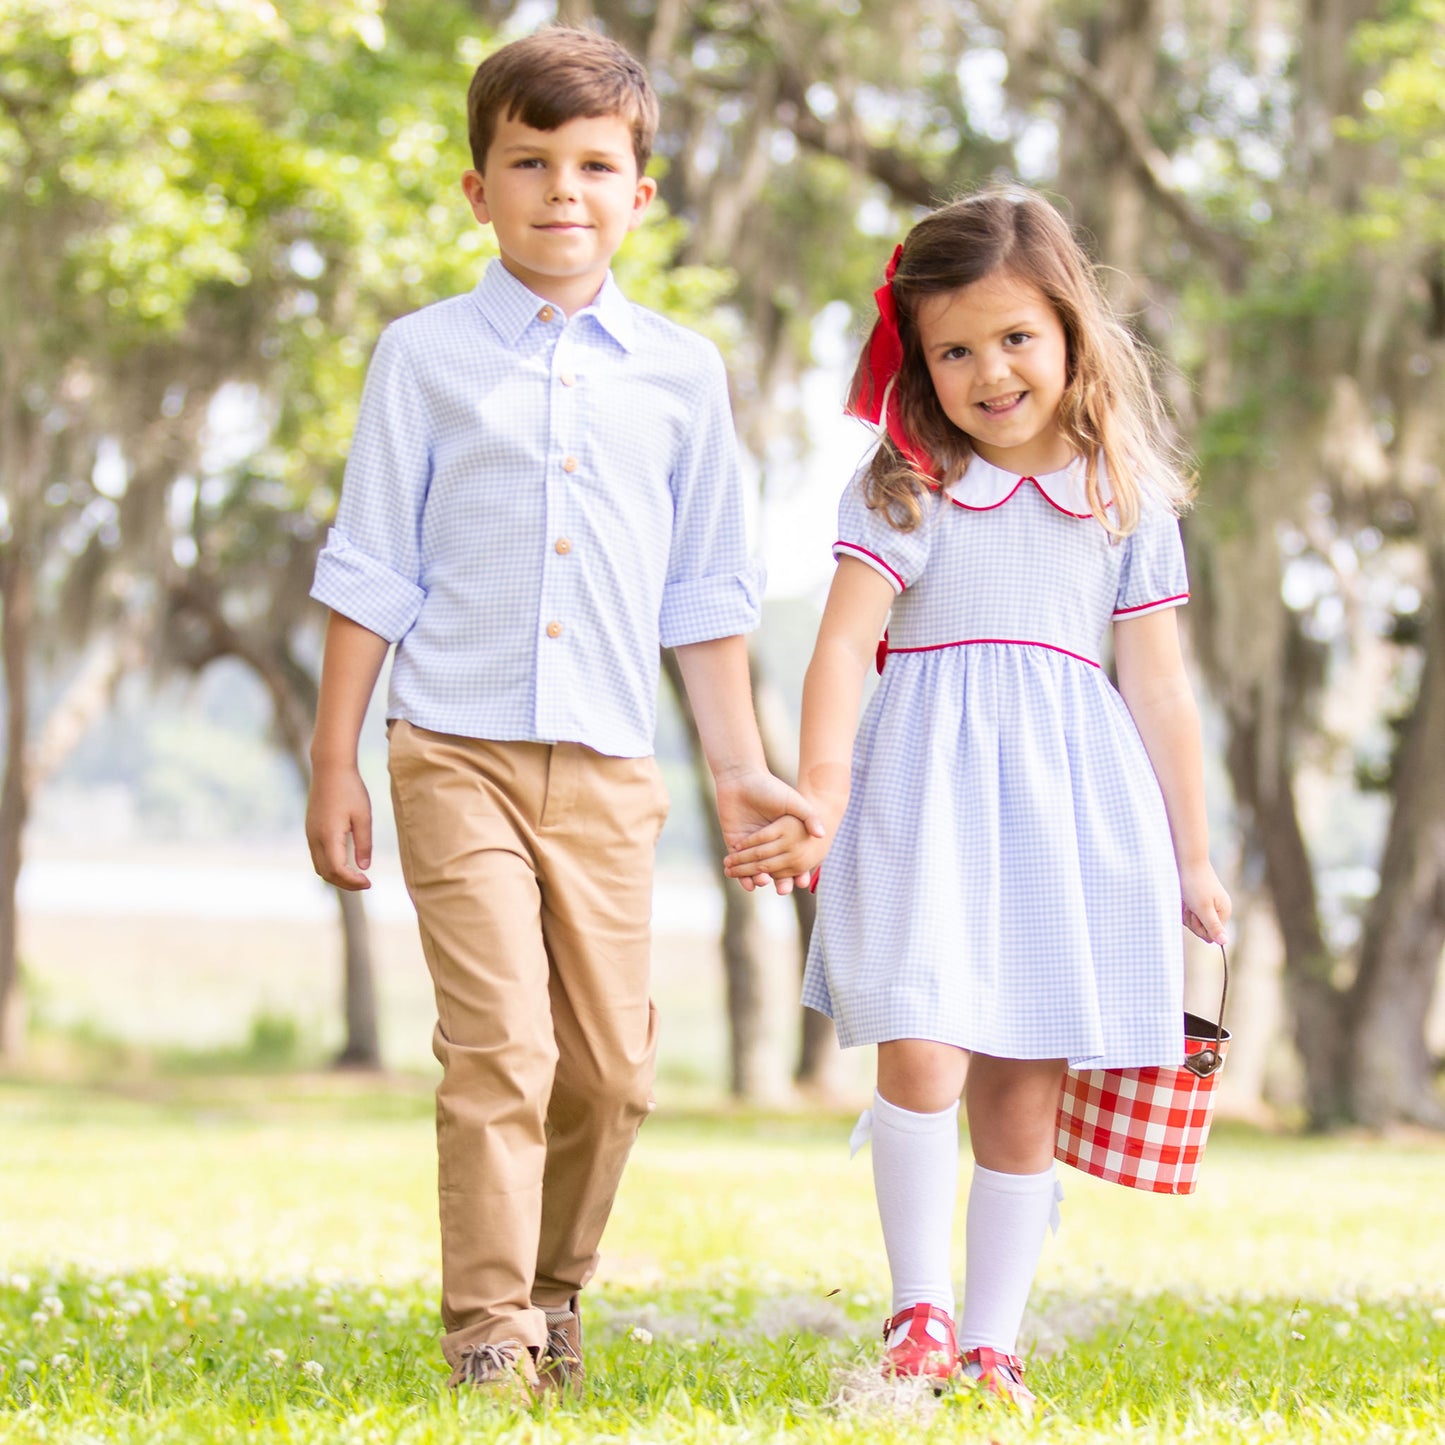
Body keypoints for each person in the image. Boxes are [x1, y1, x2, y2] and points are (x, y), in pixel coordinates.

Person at [305, 26, 818, 1400]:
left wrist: (743, 774)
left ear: (640, 195)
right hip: (448, 750)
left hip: (608, 767)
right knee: (503, 1050)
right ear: (478, 189)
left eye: (595, 164)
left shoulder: (682, 374)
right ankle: (487, 1331)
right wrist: (333, 760)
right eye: (528, 162)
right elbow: (370, 568)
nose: (562, 190)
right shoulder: (421, 359)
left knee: (609, 1073)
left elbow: (706, 595)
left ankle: (552, 1291)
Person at [724, 187, 1231, 1410]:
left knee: (1020, 1083)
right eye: (952, 349)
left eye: (1014, 338)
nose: (988, 370)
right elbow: (842, 646)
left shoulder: (1122, 495)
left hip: (1074, 808)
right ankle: (916, 1312)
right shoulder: (906, 482)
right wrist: (824, 787)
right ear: (919, 364)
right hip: (921, 791)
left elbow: (1159, 689)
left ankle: (991, 1343)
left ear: (1067, 331)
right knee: (923, 1043)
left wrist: (1193, 857)